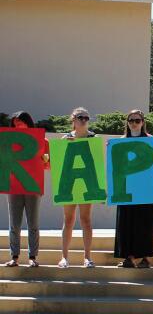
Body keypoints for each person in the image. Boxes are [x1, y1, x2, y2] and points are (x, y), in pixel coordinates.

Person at [113, 110, 153, 268]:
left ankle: (145, 258)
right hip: (125, 189)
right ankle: (128, 257)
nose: (134, 123)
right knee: (125, 222)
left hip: (145, 190)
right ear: (127, 122)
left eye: (137, 120)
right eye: (131, 120)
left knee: (144, 222)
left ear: (143, 122)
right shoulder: (120, 142)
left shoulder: (150, 141)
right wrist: (111, 150)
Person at [5, 111, 48, 268]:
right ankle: (14, 257)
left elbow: (47, 165)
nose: (17, 126)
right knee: (14, 224)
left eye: (20, 123)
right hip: (14, 186)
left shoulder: (42, 141)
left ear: (28, 122)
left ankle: (32, 257)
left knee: (33, 223)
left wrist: (45, 159)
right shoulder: (8, 142)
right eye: (15, 124)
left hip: (32, 186)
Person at [59, 107, 96, 268]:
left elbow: (98, 163)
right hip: (70, 182)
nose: (83, 120)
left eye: (86, 117)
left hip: (86, 182)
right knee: (68, 220)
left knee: (86, 220)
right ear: (73, 119)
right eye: (80, 117)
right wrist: (65, 146)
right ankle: (64, 257)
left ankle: (87, 257)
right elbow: (59, 162)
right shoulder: (65, 138)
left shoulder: (94, 138)